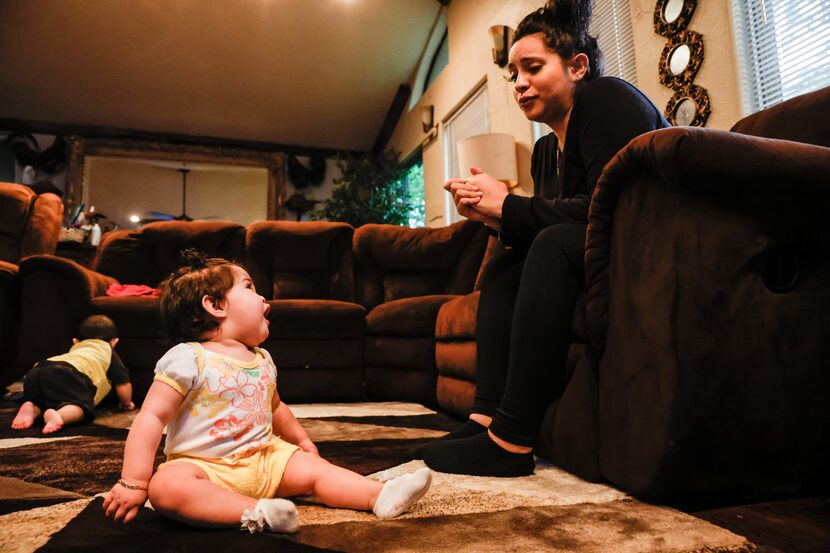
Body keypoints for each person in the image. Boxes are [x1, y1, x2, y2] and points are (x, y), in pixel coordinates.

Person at [418, 0, 669, 477]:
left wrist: (507, 206)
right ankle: (485, 418)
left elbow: (603, 210)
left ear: (578, 67)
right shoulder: (542, 151)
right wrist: (492, 215)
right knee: (505, 267)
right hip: (597, 252)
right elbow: (562, 220)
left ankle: (512, 444)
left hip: (647, 247)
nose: (519, 83)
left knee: (552, 245)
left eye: (533, 68)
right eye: (514, 73)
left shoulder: (605, 98)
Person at [103, 250, 432, 533]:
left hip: (268, 459)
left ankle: (379, 495)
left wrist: (301, 442)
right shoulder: (188, 358)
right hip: (205, 467)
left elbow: (276, 408)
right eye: (249, 288)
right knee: (166, 488)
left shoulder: (262, 359)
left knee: (316, 471)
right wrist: (134, 482)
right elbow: (150, 417)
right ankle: (257, 511)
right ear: (215, 305)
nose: (264, 299)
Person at [11, 314, 134, 434]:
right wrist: (126, 404)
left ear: (75, 341)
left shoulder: (76, 351)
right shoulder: (106, 350)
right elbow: (123, 383)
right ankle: (60, 416)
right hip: (67, 373)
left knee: (45, 399)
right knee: (79, 407)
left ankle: (33, 407)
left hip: (37, 370)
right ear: (114, 342)